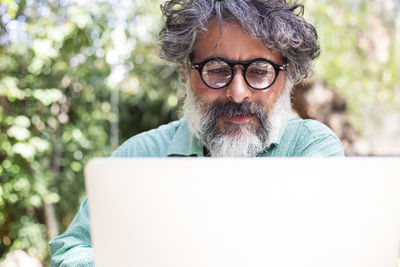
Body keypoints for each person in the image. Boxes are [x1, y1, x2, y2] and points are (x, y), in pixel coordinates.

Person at [50, 0, 344, 265]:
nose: (238, 93)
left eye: (259, 71)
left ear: (287, 76)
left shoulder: (310, 149)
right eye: (216, 70)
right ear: (184, 73)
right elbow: (73, 250)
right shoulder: (138, 157)